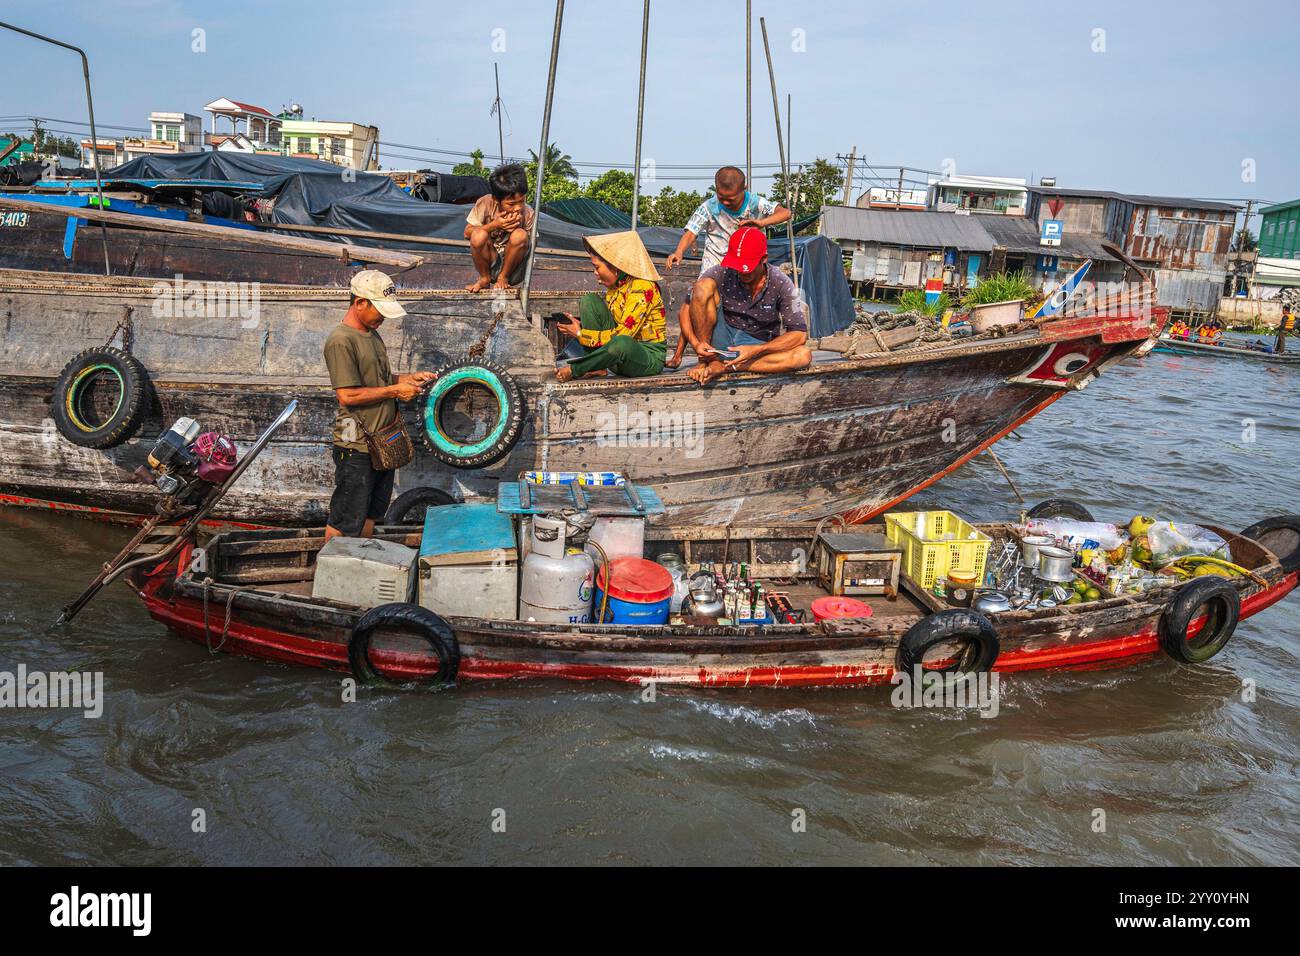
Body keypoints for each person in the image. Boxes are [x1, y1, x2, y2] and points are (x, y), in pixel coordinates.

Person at [323, 271, 435, 541]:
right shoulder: (341, 340)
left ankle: (361, 568)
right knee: (346, 519)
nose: (383, 317)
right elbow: (347, 396)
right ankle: (332, 574)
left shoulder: (372, 335)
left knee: (371, 514)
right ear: (360, 302)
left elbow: (379, 380)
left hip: (382, 441)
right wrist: (396, 390)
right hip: (357, 444)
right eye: (379, 309)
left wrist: (408, 378)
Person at [662, 166, 791, 368]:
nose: (725, 202)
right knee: (691, 306)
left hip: (744, 267)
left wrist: (760, 223)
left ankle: (733, 353)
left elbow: (785, 213)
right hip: (717, 264)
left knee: (730, 312)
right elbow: (691, 232)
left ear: (744, 189)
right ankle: (684, 355)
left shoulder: (756, 202)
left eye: (731, 199)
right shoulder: (710, 206)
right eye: (721, 197)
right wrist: (678, 252)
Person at [682, 226, 812, 385]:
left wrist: (757, 350)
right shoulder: (721, 272)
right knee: (702, 288)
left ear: (764, 259)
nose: (743, 273)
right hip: (720, 339)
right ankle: (708, 360)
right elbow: (685, 310)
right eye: (738, 266)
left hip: (756, 343)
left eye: (748, 267)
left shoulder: (782, 283)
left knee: (803, 355)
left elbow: (799, 334)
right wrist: (698, 345)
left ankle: (727, 366)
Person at [555, 231, 666, 382]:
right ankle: (596, 367)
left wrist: (581, 334)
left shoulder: (643, 287)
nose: (595, 273)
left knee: (622, 342)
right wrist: (581, 328)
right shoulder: (615, 287)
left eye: (597, 267)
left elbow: (622, 336)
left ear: (615, 267)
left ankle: (577, 369)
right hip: (617, 354)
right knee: (590, 301)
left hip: (646, 358)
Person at [464, 163, 535, 292]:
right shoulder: (485, 203)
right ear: (496, 200)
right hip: (490, 262)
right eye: (511, 204)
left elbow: (528, 247)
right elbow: (467, 233)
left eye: (522, 201)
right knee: (478, 234)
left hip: (514, 269)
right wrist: (495, 225)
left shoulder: (528, 213)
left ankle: (503, 278)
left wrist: (517, 228)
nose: (518, 207)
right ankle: (484, 279)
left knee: (520, 235)